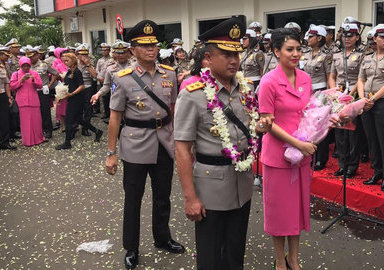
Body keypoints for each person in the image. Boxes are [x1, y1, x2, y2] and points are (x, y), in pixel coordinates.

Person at [173, 18, 270, 270]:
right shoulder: (192, 94)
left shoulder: (245, 89)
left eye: (236, 53)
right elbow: (182, 149)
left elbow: (248, 130)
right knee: (210, 255)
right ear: (207, 58)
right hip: (210, 187)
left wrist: (259, 128)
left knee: (235, 251)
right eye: (225, 54)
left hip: (242, 183)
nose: (233, 60)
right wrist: (189, 197)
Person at [105, 20, 185, 269]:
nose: (151, 49)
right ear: (133, 49)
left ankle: (162, 238)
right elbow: (115, 117)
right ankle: (131, 247)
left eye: (154, 45)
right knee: (133, 199)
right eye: (144, 45)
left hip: (163, 142)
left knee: (163, 196)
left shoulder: (169, 74)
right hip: (135, 143)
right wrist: (111, 153)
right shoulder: (123, 78)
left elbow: (172, 110)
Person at [257, 27, 316, 270]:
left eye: (298, 49)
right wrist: (298, 144)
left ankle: (294, 258)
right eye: (289, 49)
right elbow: (268, 122)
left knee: (298, 211)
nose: (295, 54)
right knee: (280, 212)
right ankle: (280, 260)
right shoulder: (269, 81)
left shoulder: (305, 78)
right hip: (278, 157)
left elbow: (310, 114)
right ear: (276, 51)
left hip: (301, 157)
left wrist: (331, 118)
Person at [357, 23, 384, 191]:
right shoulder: (367, 57)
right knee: (371, 139)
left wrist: (373, 98)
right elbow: (361, 79)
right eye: (382, 37)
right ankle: (376, 172)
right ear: (375, 38)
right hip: (366, 102)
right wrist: (362, 98)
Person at [327, 23, 364, 178]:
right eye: (344, 36)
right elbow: (332, 76)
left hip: (353, 95)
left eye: (350, 36)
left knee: (353, 133)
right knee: (340, 133)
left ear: (357, 37)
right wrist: (335, 92)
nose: (347, 39)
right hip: (339, 95)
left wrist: (351, 94)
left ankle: (352, 166)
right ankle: (342, 164)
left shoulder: (362, 54)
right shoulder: (336, 54)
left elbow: (362, 78)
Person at [55, 53, 103, 150]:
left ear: (73, 61)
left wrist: (71, 94)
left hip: (77, 99)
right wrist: (60, 95)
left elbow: (82, 86)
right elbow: (66, 85)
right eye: (64, 61)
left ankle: (67, 142)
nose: (65, 62)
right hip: (71, 98)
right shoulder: (69, 71)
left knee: (69, 120)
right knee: (78, 120)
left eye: (67, 60)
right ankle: (97, 131)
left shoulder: (77, 71)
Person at [302, 24, 332, 170]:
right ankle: (310, 154)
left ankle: (321, 158)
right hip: (306, 92)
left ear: (319, 38)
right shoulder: (305, 54)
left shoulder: (326, 55)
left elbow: (328, 76)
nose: (308, 38)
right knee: (308, 125)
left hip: (320, 92)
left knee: (320, 126)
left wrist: (327, 96)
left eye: (311, 36)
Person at [10, 56, 45, 146]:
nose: (26, 68)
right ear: (21, 66)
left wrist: (33, 80)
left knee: (37, 121)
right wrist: (21, 80)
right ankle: (27, 141)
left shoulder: (34, 73)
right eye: (24, 66)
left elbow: (40, 85)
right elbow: (12, 86)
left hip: (34, 100)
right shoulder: (16, 74)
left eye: (27, 66)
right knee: (25, 123)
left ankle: (38, 139)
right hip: (22, 101)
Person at [29, 47, 59, 139]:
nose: (31, 58)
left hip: (43, 91)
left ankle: (47, 130)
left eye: (33, 56)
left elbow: (56, 73)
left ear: (37, 55)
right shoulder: (27, 65)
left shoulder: (44, 65)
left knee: (45, 112)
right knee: (34, 112)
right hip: (31, 91)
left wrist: (50, 84)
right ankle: (38, 130)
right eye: (29, 56)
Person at [0, 45, 16, 153]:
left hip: (2, 95)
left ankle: (4, 142)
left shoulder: (1, 67)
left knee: (4, 119)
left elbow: (6, 83)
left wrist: (9, 97)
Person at [90, 41, 132, 106]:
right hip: (117, 100)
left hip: (132, 99)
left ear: (128, 53)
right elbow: (106, 85)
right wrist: (98, 94)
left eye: (123, 52)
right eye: (118, 53)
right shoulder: (110, 69)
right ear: (114, 53)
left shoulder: (135, 66)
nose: (121, 55)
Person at [76, 44, 98, 136]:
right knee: (77, 109)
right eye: (82, 54)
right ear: (78, 55)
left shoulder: (90, 62)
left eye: (86, 54)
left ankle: (85, 128)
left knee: (87, 110)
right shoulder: (74, 63)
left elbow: (94, 76)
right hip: (77, 88)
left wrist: (88, 64)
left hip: (87, 88)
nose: (84, 57)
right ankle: (75, 126)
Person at [52, 47, 69, 132]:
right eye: (63, 56)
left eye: (66, 56)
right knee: (62, 107)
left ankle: (72, 124)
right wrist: (59, 76)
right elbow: (54, 76)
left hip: (71, 87)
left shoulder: (72, 65)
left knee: (71, 107)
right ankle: (63, 125)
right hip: (61, 87)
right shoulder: (58, 66)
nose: (64, 58)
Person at [96, 42, 112, 119]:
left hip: (110, 82)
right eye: (102, 50)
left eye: (105, 50)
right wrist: (99, 78)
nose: (104, 52)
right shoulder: (100, 60)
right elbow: (97, 70)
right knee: (104, 97)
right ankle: (106, 112)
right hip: (102, 81)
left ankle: (112, 112)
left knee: (111, 97)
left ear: (109, 50)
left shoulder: (112, 60)